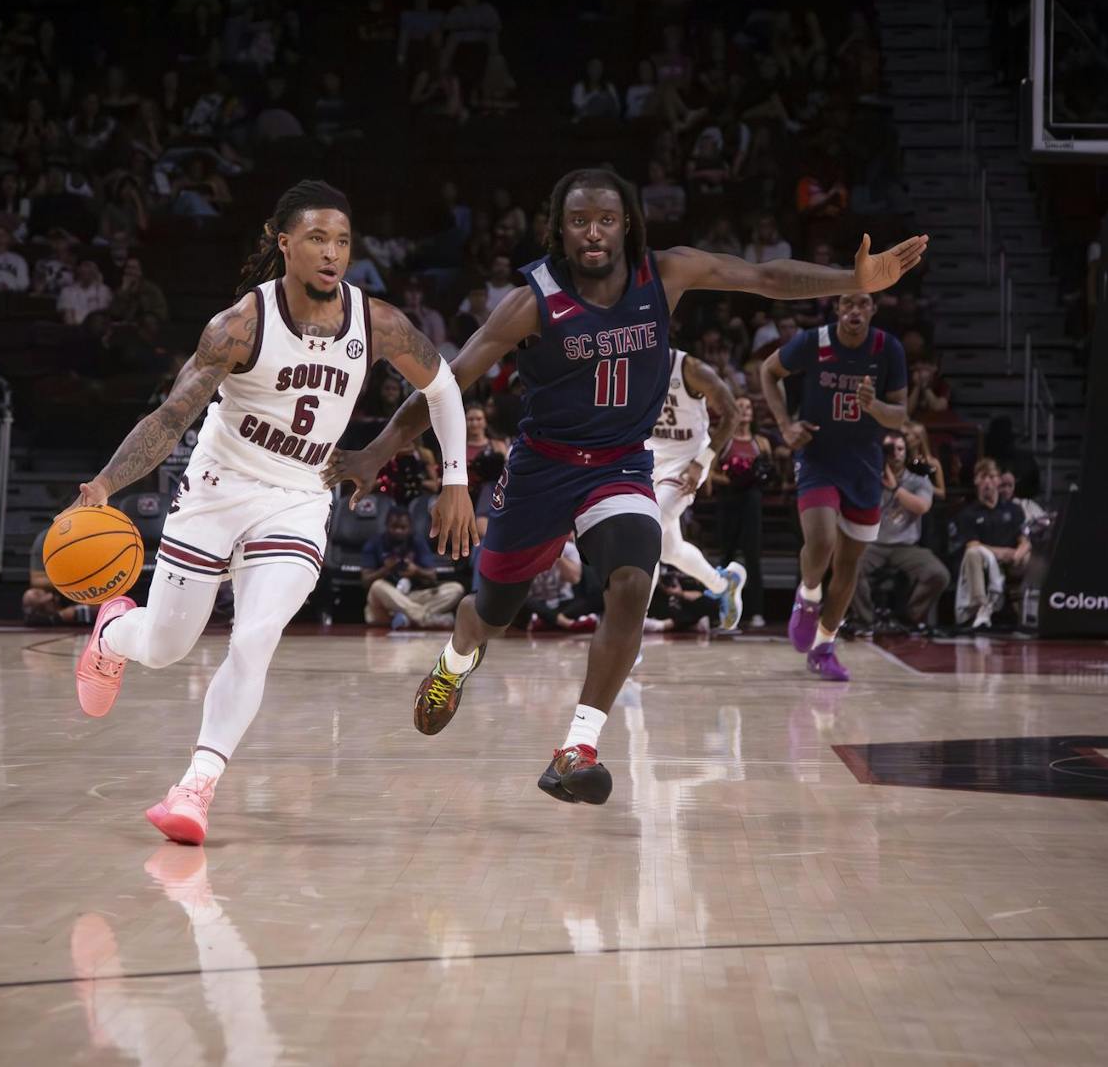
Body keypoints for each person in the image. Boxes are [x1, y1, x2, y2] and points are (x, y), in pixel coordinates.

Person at [329, 168, 926, 804]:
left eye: (607, 221)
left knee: (635, 580)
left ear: (628, 225)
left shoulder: (663, 273)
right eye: (580, 222)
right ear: (560, 229)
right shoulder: (532, 299)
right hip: (543, 468)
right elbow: (452, 379)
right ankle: (453, 663)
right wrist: (376, 449)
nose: (594, 234)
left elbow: (765, 278)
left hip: (619, 465)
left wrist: (853, 280)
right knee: (491, 612)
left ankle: (577, 746)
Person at [68, 180, 475, 847]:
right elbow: (173, 416)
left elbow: (442, 385)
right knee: (167, 648)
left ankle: (195, 786)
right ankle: (114, 632)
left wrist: (455, 477)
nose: (332, 253)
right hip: (217, 487)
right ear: (284, 243)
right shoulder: (239, 326)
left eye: (342, 240)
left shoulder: (377, 323)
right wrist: (106, 483)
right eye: (317, 238)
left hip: (297, 496)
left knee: (255, 636)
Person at [760, 288, 917, 681]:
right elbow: (767, 372)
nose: (855, 310)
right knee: (823, 540)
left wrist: (874, 406)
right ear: (837, 308)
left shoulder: (888, 349)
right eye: (848, 302)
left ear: (873, 310)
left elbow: (899, 416)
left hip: (864, 466)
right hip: (817, 457)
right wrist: (784, 425)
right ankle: (808, 595)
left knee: (849, 565)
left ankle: (824, 646)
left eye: (863, 303)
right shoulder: (814, 341)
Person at [647, 348, 745, 631]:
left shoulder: (690, 368)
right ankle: (723, 583)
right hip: (647, 458)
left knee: (646, 532)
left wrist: (702, 462)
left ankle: (631, 630)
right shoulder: (629, 365)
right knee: (670, 551)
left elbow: (732, 414)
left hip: (685, 462)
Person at [848, 431, 950, 633]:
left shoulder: (918, 479)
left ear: (906, 452)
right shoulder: (868, 477)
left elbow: (922, 507)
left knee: (939, 574)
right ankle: (866, 619)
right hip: (873, 543)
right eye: (889, 449)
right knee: (849, 567)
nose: (895, 453)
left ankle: (909, 617)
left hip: (906, 545)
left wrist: (895, 489)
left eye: (900, 449)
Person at [710, 396, 773, 627]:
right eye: (740, 407)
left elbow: (770, 473)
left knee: (753, 558)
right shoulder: (724, 440)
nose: (745, 410)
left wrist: (758, 476)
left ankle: (757, 612)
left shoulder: (762, 443)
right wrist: (730, 480)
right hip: (728, 500)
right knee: (726, 556)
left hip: (752, 503)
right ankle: (723, 612)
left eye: (748, 407)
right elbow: (711, 472)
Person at [951, 458, 1029, 632]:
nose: (988, 482)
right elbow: (972, 544)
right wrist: (1001, 553)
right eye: (983, 477)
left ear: (999, 480)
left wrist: (1019, 553)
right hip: (985, 559)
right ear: (976, 481)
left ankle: (1033, 613)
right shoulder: (968, 513)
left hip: (1012, 560)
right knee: (972, 553)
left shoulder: (1014, 509)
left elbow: (1024, 539)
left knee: (1032, 558)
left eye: (992, 477)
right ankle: (980, 608)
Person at [362, 508, 464, 630]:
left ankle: (407, 618)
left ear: (410, 527)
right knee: (377, 586)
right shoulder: (375, 542)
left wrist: (416, 571)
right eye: (394, 527)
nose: (398, 531)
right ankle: (424, 618)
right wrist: (385, 569)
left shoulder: (417, 542)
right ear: (386, 526)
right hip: (385, 602)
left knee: (456, 589)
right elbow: (365, 580)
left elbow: (432, 576)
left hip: (412, 597)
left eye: (403, 527)